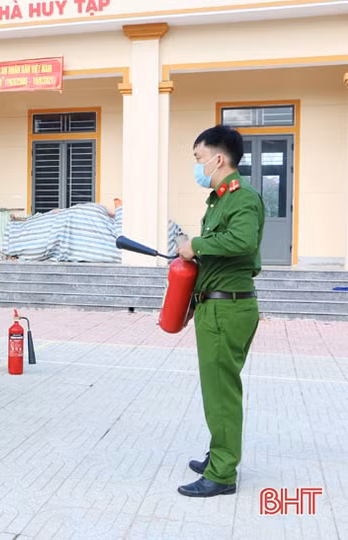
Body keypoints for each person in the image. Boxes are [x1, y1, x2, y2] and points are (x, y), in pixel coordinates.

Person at [176, 124, 265, 498]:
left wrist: (194, 245)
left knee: (221, 391)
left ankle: (223, 473)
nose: (197, 166)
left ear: (218, 158)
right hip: (216, 304)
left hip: (227, 308)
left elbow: (244, 243)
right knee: (218, 388)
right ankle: (220, 453)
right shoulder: (219, 199)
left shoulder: (242, 198)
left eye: (199, 159)